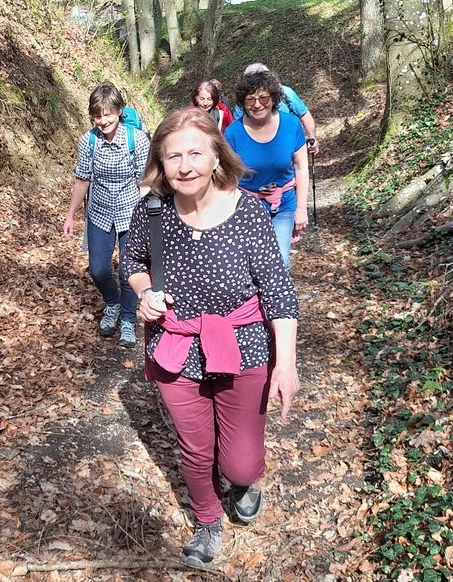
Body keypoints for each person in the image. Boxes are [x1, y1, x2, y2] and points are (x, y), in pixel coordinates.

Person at [120, 108, 301, 568]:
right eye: (173, 156)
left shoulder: (249, 212)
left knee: (240, 463)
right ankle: (206, 519)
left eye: (195, 154)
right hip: (176, 346)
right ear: (160, 164)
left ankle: (242, 481)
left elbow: (279, 293)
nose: (185, 166)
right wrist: (144, 295)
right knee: (195, 446)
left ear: (217, 156)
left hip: (243, 346)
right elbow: (132, 263)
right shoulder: (152, 211)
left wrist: (286, 364)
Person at [62, 83, 151, 348]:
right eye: (97, 115)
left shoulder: (137, 140)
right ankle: (112, 302)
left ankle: (126, 319)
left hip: (130, 212)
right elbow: (82, 179)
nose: (103, 121)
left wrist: (148, 219)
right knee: (99, 270)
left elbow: (144, 184)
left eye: (108, 114)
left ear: (119, 111)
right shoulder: (88, 141)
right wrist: (70, 216)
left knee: (128, 270)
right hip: (99, 212)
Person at [225, 71, 310, 271]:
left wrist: (301, 209)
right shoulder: (232, 133)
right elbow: (227, 178)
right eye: (250, 99)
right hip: (246, 207)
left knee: (280, 262)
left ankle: (280, 302)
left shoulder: (291, 125)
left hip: (284, 204)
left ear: (273, 98)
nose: (257, 104)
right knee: (250, 264)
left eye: (263, 97)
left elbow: (301, 167)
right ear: (242, 103)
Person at [230, 62, 320, 155]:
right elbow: (237, 129)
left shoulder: (286, 93)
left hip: (290, 146)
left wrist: (311, 137)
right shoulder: (243, 104)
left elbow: (304, 114)